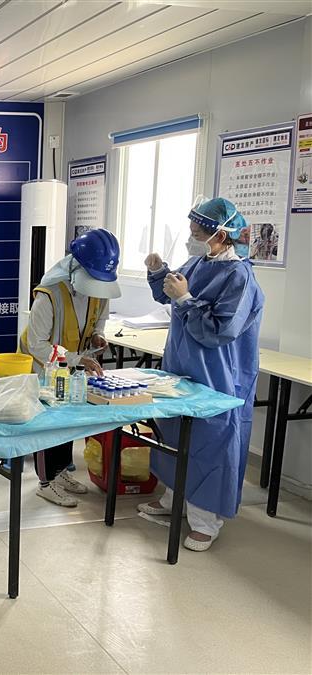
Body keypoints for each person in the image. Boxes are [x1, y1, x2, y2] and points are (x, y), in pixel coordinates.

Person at [140, 196, 263, 552]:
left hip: (217, 374)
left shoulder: (239, 277)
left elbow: (220, 330)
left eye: (197, 232)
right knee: (173, 433)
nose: (192, 237)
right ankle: (172, 499)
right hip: (181, 365)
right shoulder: (197, 262)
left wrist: (185, 299)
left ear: (220, 236)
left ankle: (206, 520)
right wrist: (158, 272)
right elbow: (170, 293)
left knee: (209, 441)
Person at [19, 228, 120, 507]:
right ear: (76, 267)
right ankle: (45, 483)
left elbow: (99, 319)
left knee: (68, 422)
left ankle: (60, 472)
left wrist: (98, 335)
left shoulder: (100, 285)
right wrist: (75, 359)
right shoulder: (49, 295)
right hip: (44, 368)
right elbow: (37, 344)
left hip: (73, 371)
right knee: (48, 424)